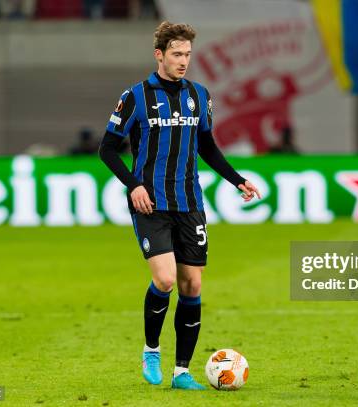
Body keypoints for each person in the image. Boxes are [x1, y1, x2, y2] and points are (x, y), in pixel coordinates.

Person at [98, 21, 261, 390]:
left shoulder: (200, 95)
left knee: (192, 285)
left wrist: (237, 180)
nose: (183, 61)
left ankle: (182, 371)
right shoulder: (136, 96)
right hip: (151, 202)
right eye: (176, 54)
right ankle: (151, 350)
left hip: (190, 201)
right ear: (160, 55)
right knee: (166, 278)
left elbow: (207, 146)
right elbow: (107, 148)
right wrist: (134, 185)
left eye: (187, 54)